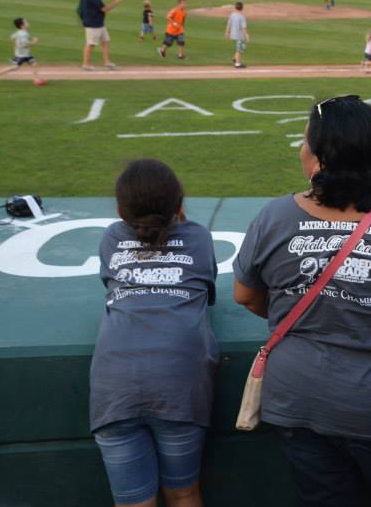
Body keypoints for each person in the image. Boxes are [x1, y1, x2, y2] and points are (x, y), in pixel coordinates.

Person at [233, 96, 371, 507]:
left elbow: (245, 294)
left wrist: (299, 312)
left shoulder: (274, 217)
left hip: (298, 402)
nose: (301, 150)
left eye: (306, 143)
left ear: (319, 161)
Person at [91, 159, 218, 507]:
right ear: (179, 205)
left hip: (113, 386)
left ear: (120, 210)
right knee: (184, 493)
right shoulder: (198, 237)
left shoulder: (111, 237)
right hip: (179, 383)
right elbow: (207, 293)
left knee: (134, 502)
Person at [79, 0, 122, 71]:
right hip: (93, 24)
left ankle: (107, 62)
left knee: (105, 41)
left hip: (99, 23)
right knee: (90, 44)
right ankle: (85, 65)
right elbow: (104, 9)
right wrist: (116, 2)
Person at [0, 17, 45, 86]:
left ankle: (36, 79)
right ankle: (36, 79)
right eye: (26, 22)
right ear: (22, 25)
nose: (28, 23)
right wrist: (33, 42)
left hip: (25, 54)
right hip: (22, 55)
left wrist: (16, 44)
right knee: (14, 67)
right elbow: (25, 45)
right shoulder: (23, 34)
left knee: (34, 64)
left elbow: (11, 37)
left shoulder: (20, 32)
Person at [225, 1, 249, 69]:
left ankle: (235, 59)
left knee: (242, 48)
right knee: (239, 49)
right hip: (240, 35)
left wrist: (227, 32)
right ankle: (237, 64)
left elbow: (229, 24)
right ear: (242, 8)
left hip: (234, 34)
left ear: (235, 7)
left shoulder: (232, 15)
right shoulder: (242, 17)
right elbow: (244, 27)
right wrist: (247, 35)